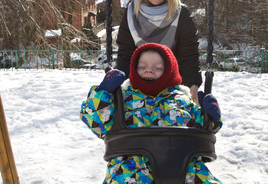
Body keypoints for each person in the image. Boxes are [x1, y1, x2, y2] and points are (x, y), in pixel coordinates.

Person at [80, 43, 223, 184]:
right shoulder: (120, 99)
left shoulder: (183, 100)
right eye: (142, 67)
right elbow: (97, 122)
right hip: (131, 168)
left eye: (158, 68)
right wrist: (103, 92)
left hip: (186, 165)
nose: (149, 70)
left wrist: (212, 117)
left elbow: (203, 130)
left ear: (170, 72)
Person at [116, 0, 202, 104]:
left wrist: (192, 84)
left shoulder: (181, 13)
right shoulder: (132, 13)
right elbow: (126, 52)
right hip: (139, 81)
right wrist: (121, 84)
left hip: (171, 82)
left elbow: (189, 53)